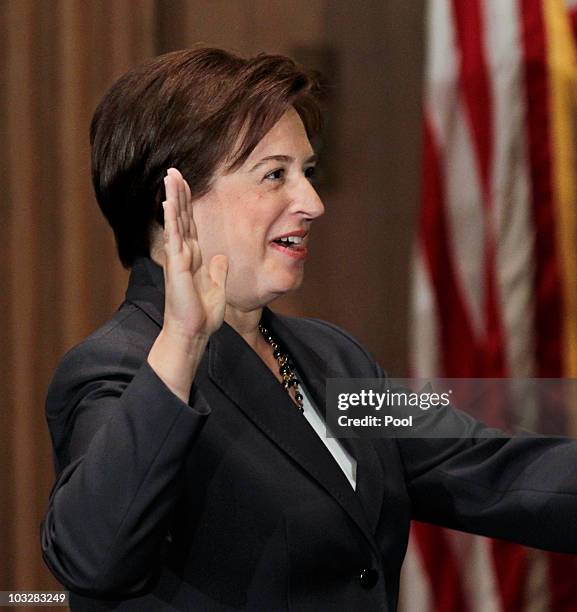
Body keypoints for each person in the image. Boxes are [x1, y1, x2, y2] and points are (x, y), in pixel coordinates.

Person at [41, 47, 577, 612]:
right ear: (173, 202)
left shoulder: (330, 357)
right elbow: (94, 559)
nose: (313, 203)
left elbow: (492, 470)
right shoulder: (115, 368)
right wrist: (182, 344)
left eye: (308, 173)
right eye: (275, 175)